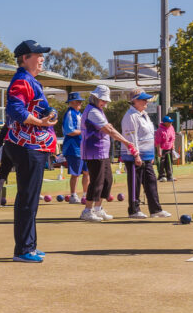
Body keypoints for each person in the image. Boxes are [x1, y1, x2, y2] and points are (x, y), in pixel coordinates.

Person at [4, 40, 59, 262]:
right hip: (26, 146)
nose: (42, 58)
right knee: (27, 199)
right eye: (38, 54)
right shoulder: (22, 80)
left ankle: (30, 246)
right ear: (25, 58)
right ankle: (23, 250)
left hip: (32, 146)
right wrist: (40, 122)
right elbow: (15, 109)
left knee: (31, 198)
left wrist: (51, 113)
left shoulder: (32, 81)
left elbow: (44, 107)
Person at [80, 85, 137, 222]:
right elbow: (109, 130)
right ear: (95, 98)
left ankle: (98, 208)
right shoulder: (93, 111)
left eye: (105, 100)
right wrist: (126, 142)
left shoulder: (98, 111)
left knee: (107, 180)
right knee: (96, 181)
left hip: (102, 151)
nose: (105, 103)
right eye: (103, 100)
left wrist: (125, 141)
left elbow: (110, 128)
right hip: (94, 150)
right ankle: (87, 210)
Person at [120, 88, 169, 219]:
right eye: (143, 99)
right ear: (134, 101)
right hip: (134, 156)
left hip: (146, 155)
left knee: (151, 181)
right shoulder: (130, 116)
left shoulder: (144, 115)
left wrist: (151, 155)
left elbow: (149, 135)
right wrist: (136, 155)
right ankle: (134, 210)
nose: (146, 101)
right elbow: (131, 138)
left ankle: (155, 210)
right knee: (135, 184)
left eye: (146, 99)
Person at [61, 92, 88, 203]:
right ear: (71, 102)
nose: (80, 103)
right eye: (78, 101)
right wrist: (84, 131)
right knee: (75, 173)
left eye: (81, 101)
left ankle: (86, 195)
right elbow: (69, 131)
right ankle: (73, 195)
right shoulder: (70, 114)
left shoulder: (79, 114)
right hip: (73, 147)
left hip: (83, 147)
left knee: (86, 172)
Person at [155, 115, 176, 182]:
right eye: (169, 122)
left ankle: (170, 175)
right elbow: (158, 141)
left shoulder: (171, 128)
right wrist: (159, 150)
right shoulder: (160, 130)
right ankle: (162, 176)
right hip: (162, 149)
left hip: (169, 148)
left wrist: (173, 145)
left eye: (171, 122)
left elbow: (173, 138)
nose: (170, 123)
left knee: (169, 162)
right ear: (165, 122)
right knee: (162, 163)